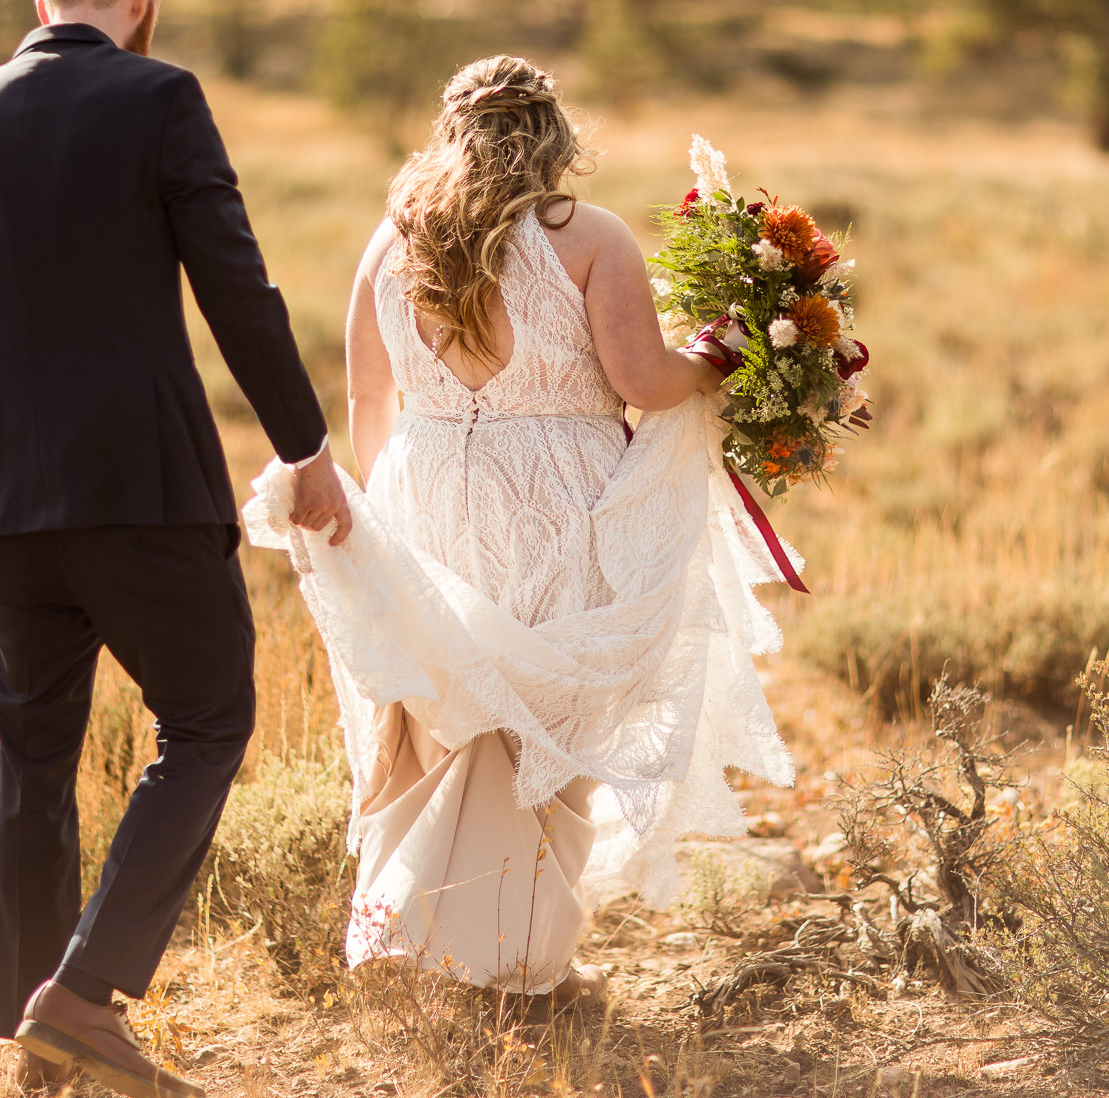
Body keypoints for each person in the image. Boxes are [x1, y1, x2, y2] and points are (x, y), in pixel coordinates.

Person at [0, 0, 350, 1097]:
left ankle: (35, 1039)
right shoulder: (159, 97)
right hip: (140, 489)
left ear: (44, 7)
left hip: (5, 504)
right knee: (210, 714)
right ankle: (81, 999)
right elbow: (236, 282)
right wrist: (307, 447)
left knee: (35, 754)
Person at [243, 55, 795, 1000]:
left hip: (423, 489)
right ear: (553, 136)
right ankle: (512, 960)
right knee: (547, 715)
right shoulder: (589, 236)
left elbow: (367, 398)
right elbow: (643, 382)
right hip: (553, 498)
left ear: (450, 135)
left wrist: (389, 524)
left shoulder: (391, 243)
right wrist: (720, 355)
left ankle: (452, 940)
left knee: (449, 714)